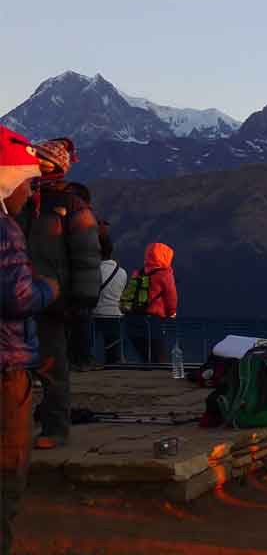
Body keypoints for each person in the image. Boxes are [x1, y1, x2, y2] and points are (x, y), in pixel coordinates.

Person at [16, 138, 98, 451]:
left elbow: (87, 256)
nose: (38, 164)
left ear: (58, 166)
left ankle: (55, 427)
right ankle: (15, 427)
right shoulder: (19, 197)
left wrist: (82, 300)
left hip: (53, 297)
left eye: (44, 161)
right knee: (13, 367)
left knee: (52, 366)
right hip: (17, 293)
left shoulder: (72, 205)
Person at [1, 126, 61, 555]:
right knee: (7, 474)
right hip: (6, 367)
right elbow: (17, 296)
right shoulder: (4, 231)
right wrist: (48, 289)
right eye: (25, 180)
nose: (28, 191)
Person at [92, 225, 126, 364]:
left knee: (92, 348)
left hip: (95, 315)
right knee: (114, 354)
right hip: (115, 316)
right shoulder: (122, 272)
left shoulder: (93, 270)